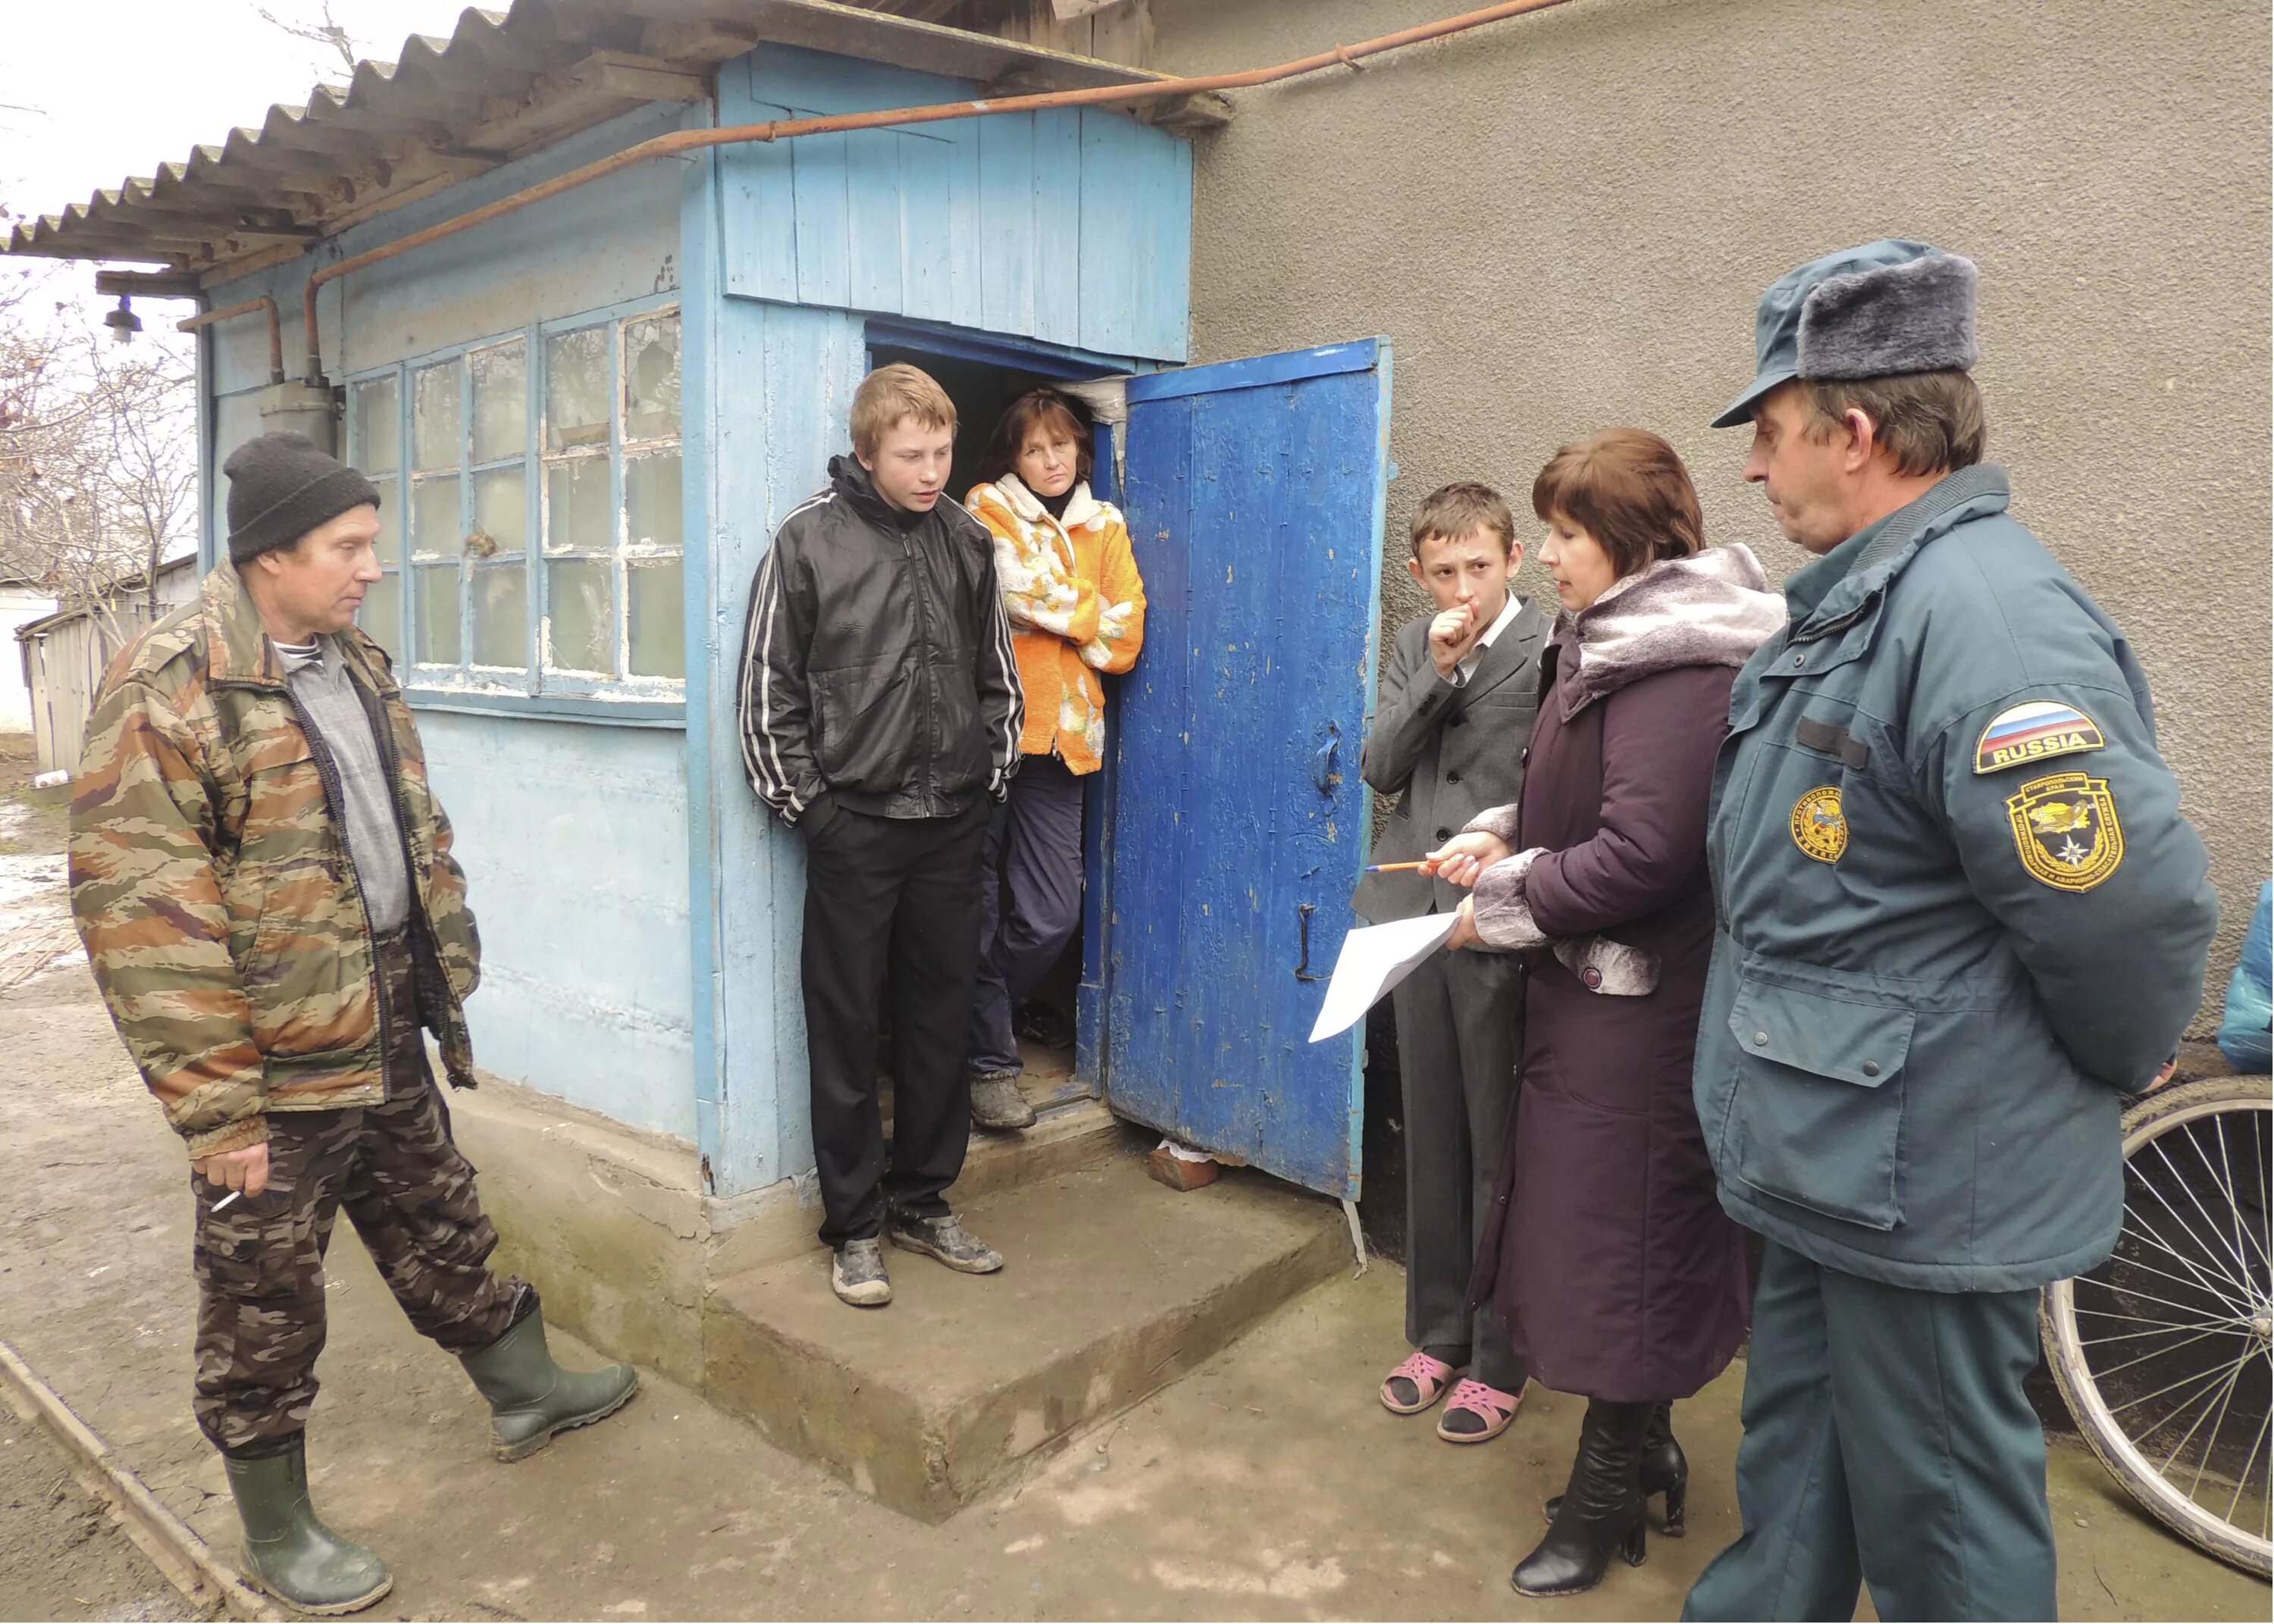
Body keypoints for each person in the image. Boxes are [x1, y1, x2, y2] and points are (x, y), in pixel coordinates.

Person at [1680, 240, 2219, 1622]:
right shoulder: (1868, 599)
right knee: (1794, 1470)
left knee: (1944, 1535)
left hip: (1925, 1170)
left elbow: (2129, 910)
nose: (1754, 467)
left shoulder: (1983, 617)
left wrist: (2121, 1051)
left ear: (1856, 435)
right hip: (1832, 1152)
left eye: (1775, 432)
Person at [68, 431, 637, 1616]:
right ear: (272, 553)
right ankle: (278, 1524)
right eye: (349, 545)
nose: (372, 565)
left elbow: (402, 822)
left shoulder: (350, 658)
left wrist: (442, 951)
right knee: (265, 1290)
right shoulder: (170, 686)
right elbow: (142, 917)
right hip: (268, 1055)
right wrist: (216, 1105)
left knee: (437, 1211)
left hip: (375, 1006)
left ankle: (526, 1388)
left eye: (370, 542)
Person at [1432, 430, 1785, 1596]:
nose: (1550, 556)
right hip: (1595, 1005)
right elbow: (1579, 795)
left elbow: (1644, 854)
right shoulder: (1612, 641)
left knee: (1627, 1251)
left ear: (1630, 544)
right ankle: (1649, 1449)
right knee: (1599, 1243)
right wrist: (1503, 824)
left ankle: (1601, 1496)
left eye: (1569, 535)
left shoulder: (1678, 664)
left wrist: (1508, 898)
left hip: (1641, 1014)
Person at [738, 364, 1025, 1308]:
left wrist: (989, 779)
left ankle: (924, 1199)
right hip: (854, 826)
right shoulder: (806, 539)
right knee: (849, 1028)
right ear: (868, 450)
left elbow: (1000, 680)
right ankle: (855, 1225)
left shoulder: (969, 541)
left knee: (941, 1020)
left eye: (943, 451)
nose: (932, 469)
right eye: (912, 455)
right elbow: (766, 693)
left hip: (952, 824)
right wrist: (814, 812)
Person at [1353, 481, 1550, 1444]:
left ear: (1513, 559)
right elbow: (1381, 767)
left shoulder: (1552, 650)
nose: (1462, 588)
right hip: (1413, 920)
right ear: (1419, 573)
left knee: (1499, 1146)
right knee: (1432, 1133)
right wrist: (1434, 671)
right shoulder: (1412, 643)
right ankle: (1436, 1336)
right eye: (1443, 572)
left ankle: (1502, 1355)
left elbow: (1560, 793)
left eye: (1479, 567)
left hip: (1500, 925)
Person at [960, 389, 1147, 1131]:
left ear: (1082, 451)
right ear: (1014, 455)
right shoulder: (985, 506)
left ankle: (968, 1008)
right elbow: (1004, 585)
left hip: (1064, 744)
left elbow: (1126, 640)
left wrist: (1055, 611)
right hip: (989, 735)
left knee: (1049, 916)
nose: (1049, 460)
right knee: (970, 905)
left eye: (1061, 446)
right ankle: (987, 1059)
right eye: (1034, 448)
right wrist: (1085, 615)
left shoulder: (1104, 523)